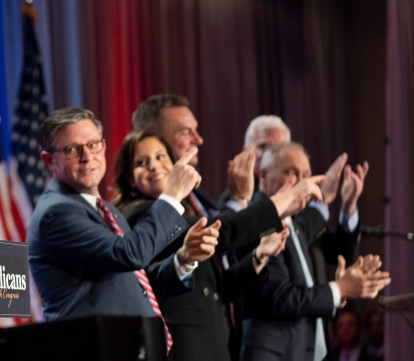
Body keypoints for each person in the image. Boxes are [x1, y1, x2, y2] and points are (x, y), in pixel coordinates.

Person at [112, 130, 322, 360]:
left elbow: (217, 290)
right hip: (183, 347)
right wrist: (286, 199)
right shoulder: (139, 215)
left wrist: (258, 258)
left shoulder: (184, 212)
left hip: (212, 341)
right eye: (142, 162)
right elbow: (224, 231)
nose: (154, 166)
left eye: (161, 157)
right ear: (130, 178)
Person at [27, 108, 220, 353]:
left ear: (104, 147)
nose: (87, 156)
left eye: (93, 145)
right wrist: (172, 195)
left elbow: (139, 283)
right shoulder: (56, 214)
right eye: (72, 149)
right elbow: (129, 253)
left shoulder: (106, 210)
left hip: (131, 347)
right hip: (93, 350)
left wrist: (183, 258)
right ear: (49, 160)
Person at [240, 142, 391, 361]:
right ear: (262, 174)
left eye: (307, 174)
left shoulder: (297, 223)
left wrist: (341, 291)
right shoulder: (257, 219)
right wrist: (339, 288)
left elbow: (337, 257)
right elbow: (279, 297)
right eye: (291, 172)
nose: (302, 182)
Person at [131, 94, 221, 218]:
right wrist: (239, 198)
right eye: (185, 132)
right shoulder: (146, 206)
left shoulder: (193, 186)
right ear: (155, 138)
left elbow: (218, 221)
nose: (199, 140)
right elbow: (217, 230)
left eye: (195, 130)